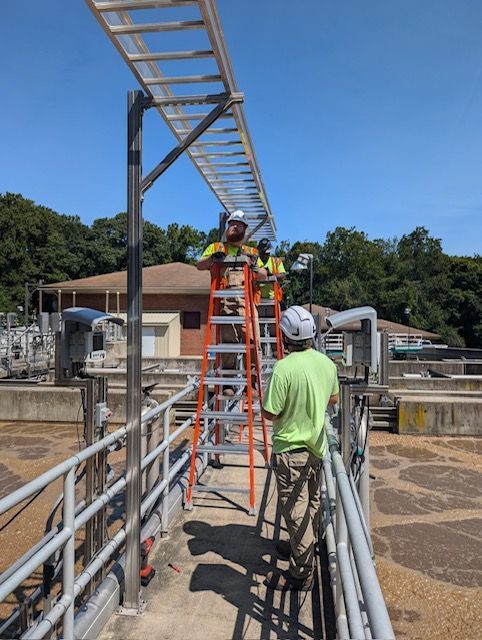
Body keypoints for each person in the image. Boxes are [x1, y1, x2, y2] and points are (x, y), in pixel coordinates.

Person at [261, 306, 339, 591]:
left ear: (285, 337)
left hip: (291, 450)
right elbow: (332, 400)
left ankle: (301, 573)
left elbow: (270, 412)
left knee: (295, 511)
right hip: (316, 449)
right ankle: (301, 548)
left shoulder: (284, 368)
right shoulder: (327, 364)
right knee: (313, 504)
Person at [197, 211, 267, 393]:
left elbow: (264, 274)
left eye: (238, 224)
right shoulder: (216, 247)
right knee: (228, 342)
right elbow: (199, 264)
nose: (233, 227)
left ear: (244, 229)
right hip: (225, 300)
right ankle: (228, 383)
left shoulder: (251, 252)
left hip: (247, 301)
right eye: (231, 224)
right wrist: (213, 258)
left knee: (252, 341)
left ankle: (251, 382)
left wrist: (254, 266)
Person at [256, 238, 286, 357]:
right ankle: (261, 355)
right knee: (260, 331)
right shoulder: (256, 262)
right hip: (259, 300)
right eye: (263, 252)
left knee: (275, 330)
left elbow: (282, 275)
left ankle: (276, 353)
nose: (265, 254)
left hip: (272, 300)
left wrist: (271, 275)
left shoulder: (276, 262)